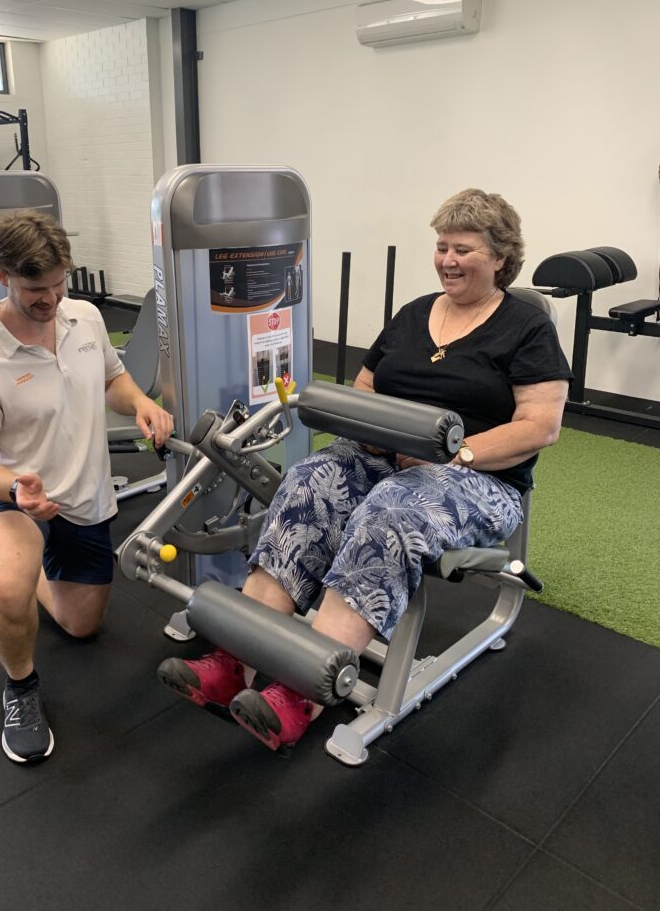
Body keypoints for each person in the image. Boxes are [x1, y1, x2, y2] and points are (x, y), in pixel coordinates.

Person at [158, 188, 572, 752]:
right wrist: (379, 435)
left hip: (477, 476)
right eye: (442, 246)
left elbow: (539, 426)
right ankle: (235, 660)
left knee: (391, 510)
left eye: (465, 249)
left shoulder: (526, 326)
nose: (448, 259)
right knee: (310, 482)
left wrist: (452, 452)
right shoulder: (413, 314)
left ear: (501, 257)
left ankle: (300, 692)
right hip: (382, 454)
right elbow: (365, 387)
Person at [0, 209, 173, 765]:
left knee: (80, 625)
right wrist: (14, 488)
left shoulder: (85, 318)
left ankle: (27, 578)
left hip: (85, 497)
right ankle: (20, 687)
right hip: (16, 500)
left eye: (57, 284)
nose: (50, 299)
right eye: (34, 289)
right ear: (2, 277)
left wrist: (140, 401)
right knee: (5, 587)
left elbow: (113, 381)